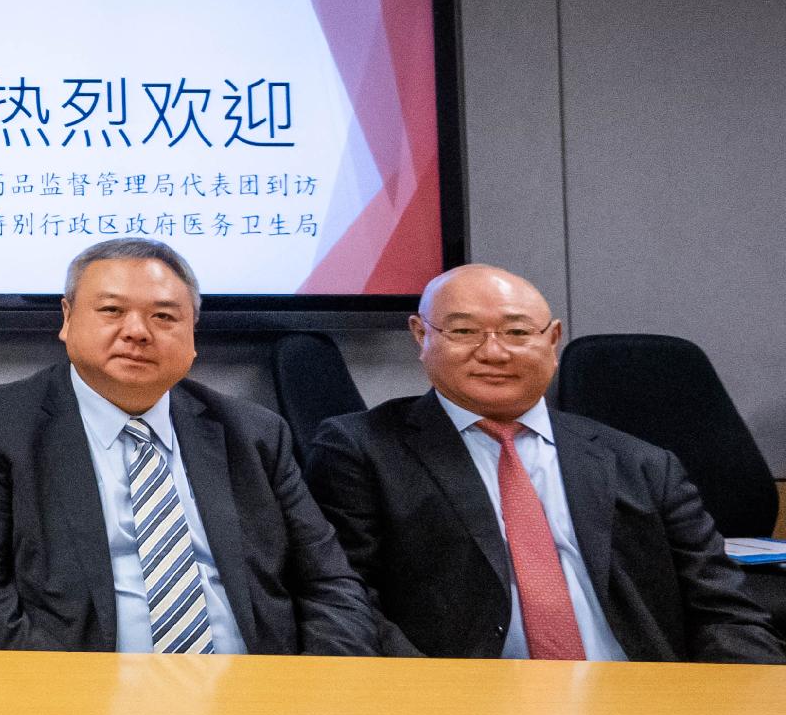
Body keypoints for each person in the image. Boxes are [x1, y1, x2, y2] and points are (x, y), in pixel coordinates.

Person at [307, 263, 779, 663]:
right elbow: (347, 602)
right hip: (463, 708)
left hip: (641, 697)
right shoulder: (360, 450)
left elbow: (723, 608)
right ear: (421, 335)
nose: (493, 352)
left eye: (516, 332)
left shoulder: (642, 464)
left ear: (552, 340)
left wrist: (753, 700)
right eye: (464, 331)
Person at [0, 238, 376, 655]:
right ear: (66, 319)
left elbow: (330, 584)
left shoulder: (253, 434)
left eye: (164, 316)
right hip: (70, 705)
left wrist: (321, 688)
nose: (137, 331)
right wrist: (71, 701)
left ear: (192, 335)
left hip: (255, 699)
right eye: (112, 311)